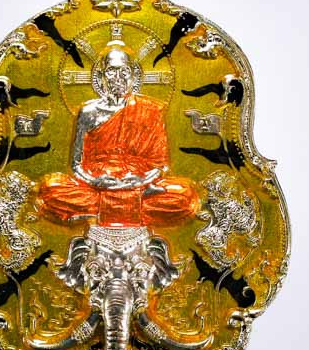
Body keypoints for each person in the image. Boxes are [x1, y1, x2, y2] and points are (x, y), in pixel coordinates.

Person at [37, 39, 198, 227]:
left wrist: (140, 181)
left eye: (124, 71)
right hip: (97, 186)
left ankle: (105, 207)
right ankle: (128, 204)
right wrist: (95, 181)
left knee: (185, 197)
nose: (118, 77)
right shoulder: (88, 112)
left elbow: (160, 166)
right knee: (50, 191)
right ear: (101, 76)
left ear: (133, 76)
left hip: (140, 185)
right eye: (111, 71)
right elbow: (76, 165)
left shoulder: (150, 111)